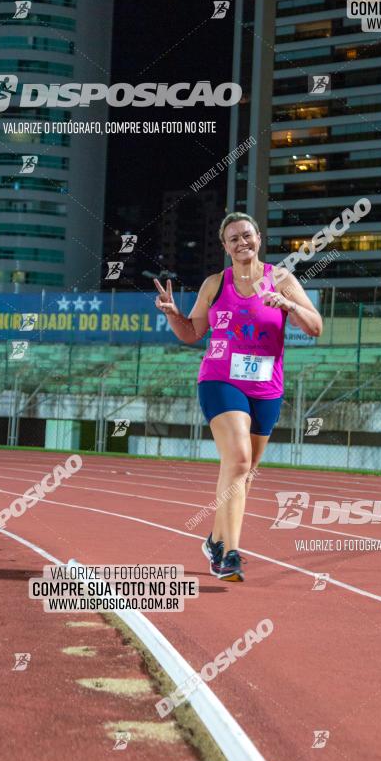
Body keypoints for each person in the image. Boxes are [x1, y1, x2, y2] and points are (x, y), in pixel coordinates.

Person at [154, 212, 322, 581]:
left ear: (259, 238)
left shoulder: (282, 280)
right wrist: (172, 315)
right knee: (239, 458)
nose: (241, 242)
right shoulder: (215, 284)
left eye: (247, 235)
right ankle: (229, 555)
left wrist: (290, 305)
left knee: (244, 473)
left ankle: (215, 538)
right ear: (225, 246)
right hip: (220, 380)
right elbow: (192, 332)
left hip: (266, 387)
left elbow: (316, 328)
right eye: (233, 239)